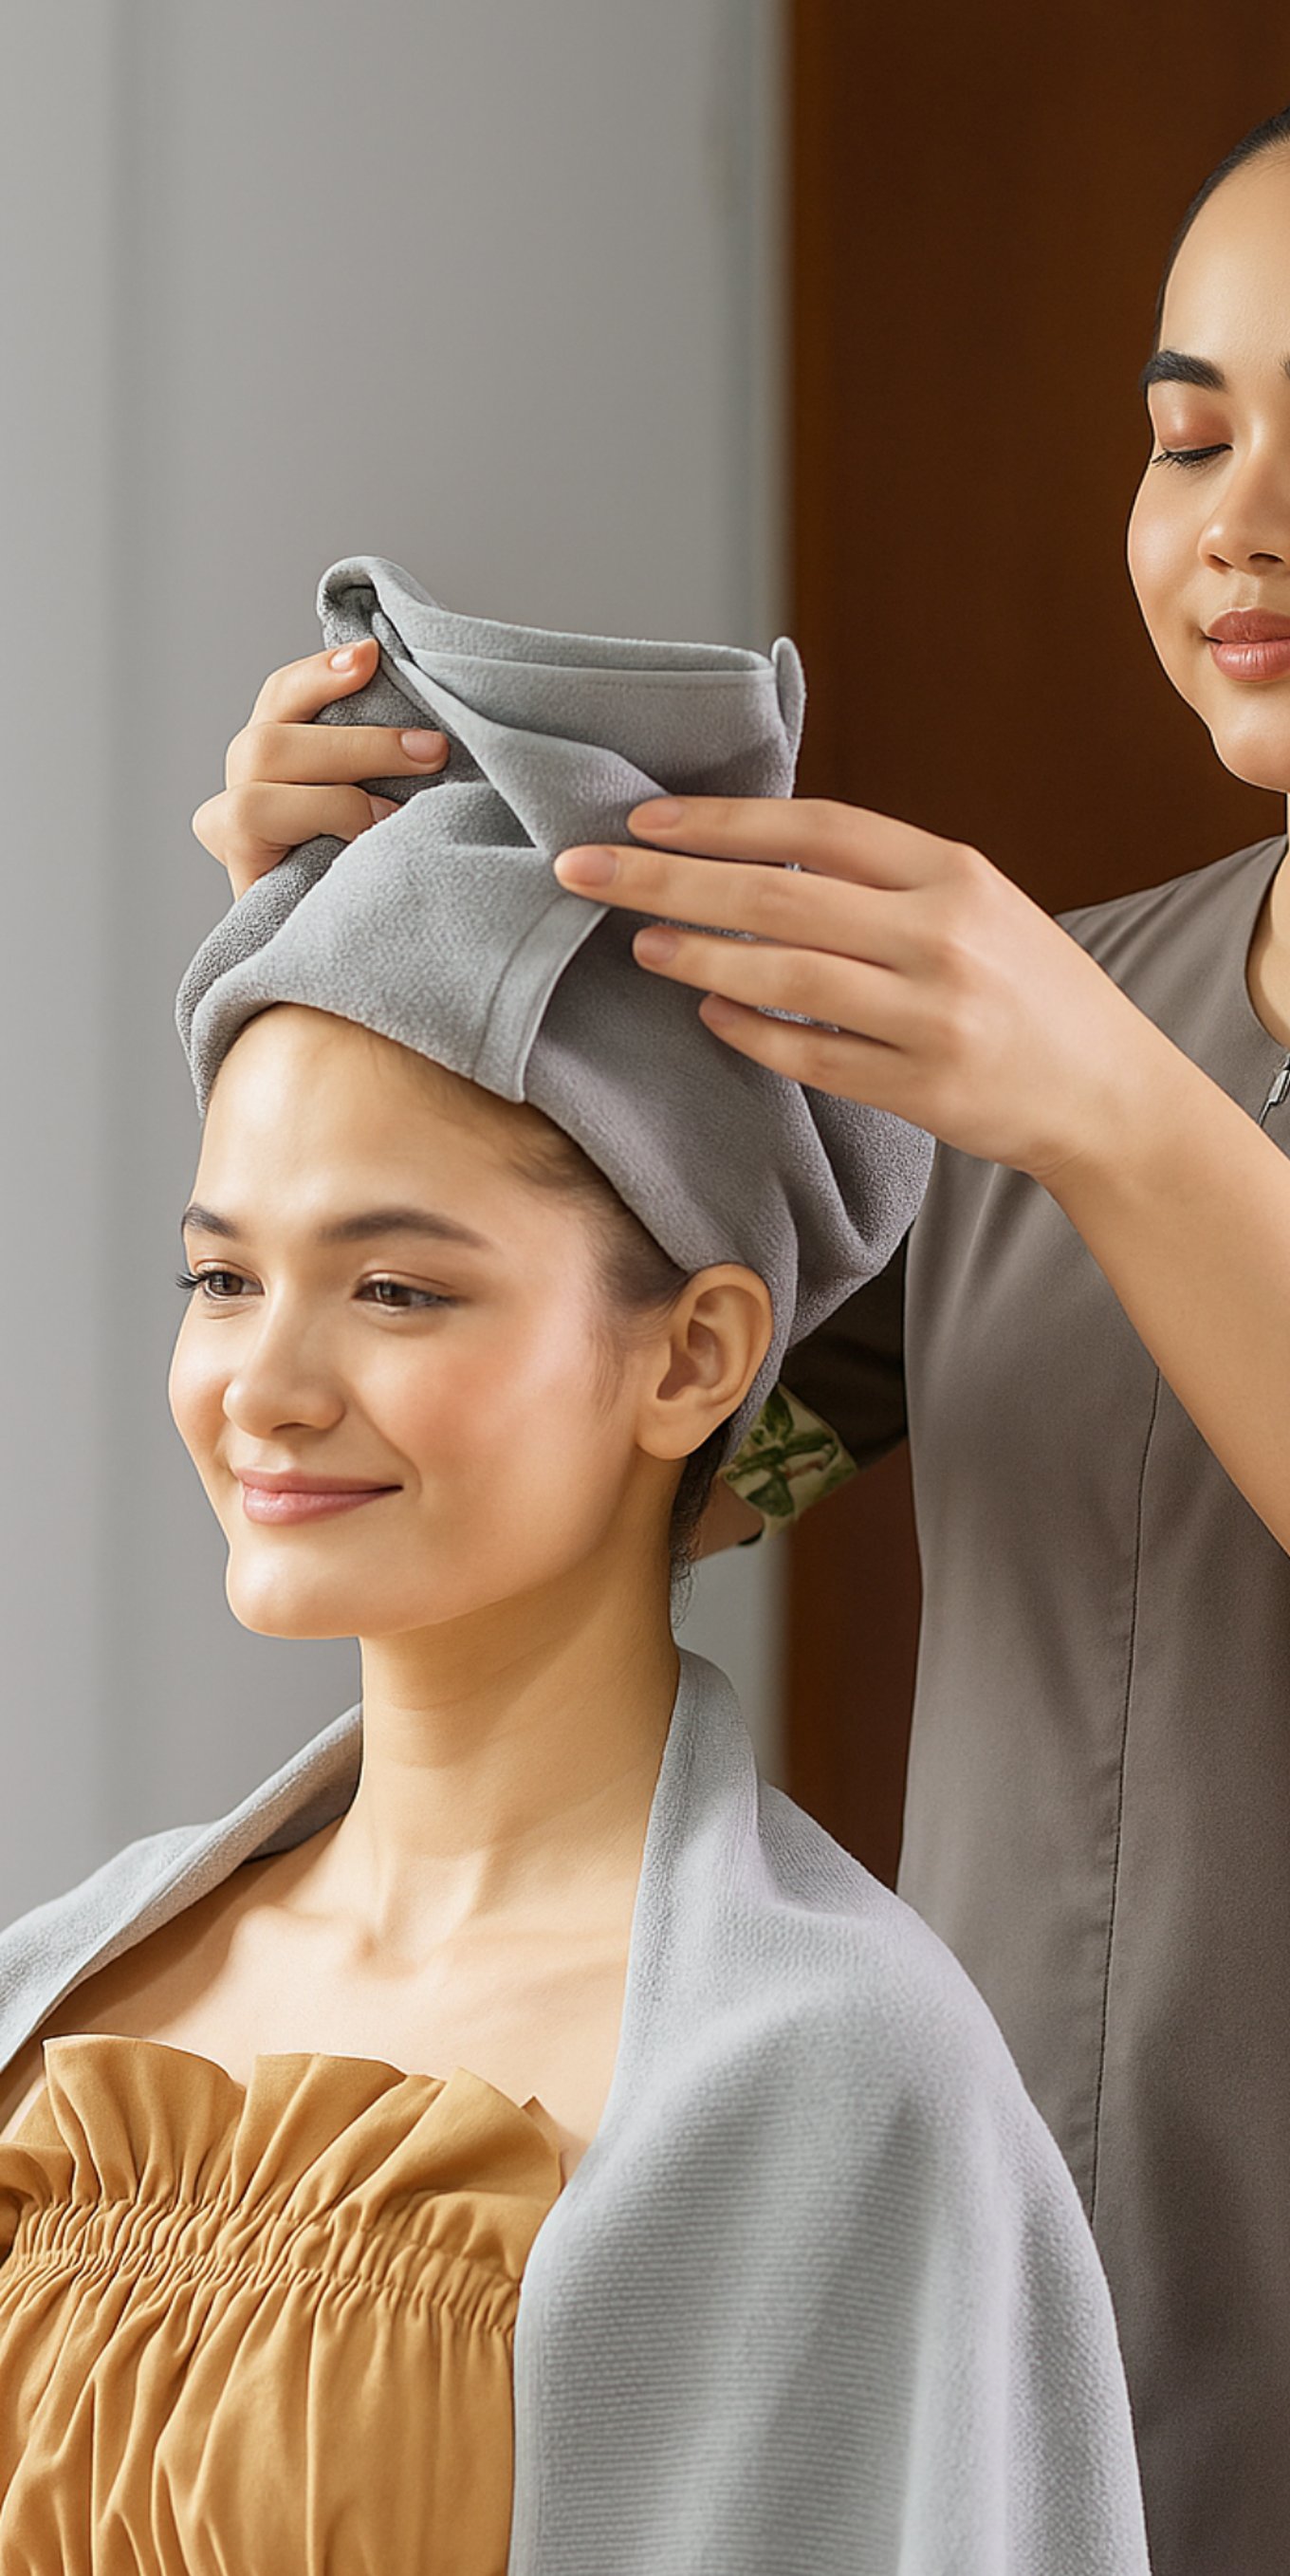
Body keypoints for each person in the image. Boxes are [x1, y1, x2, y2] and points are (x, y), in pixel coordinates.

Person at [193, 52, 1290, 2575]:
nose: (1241, 523)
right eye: (1185, 442)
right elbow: (627, 1448)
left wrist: (1118, 1116)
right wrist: (366, 952)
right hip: (1003, 2424)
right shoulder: (1049, 1002)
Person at [0, 561, 1153, 2576]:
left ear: (693, 1352)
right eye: (218, 1275)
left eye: (394, 1284)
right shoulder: (59, 1983)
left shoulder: (837, 2081)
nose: (263, 1382)